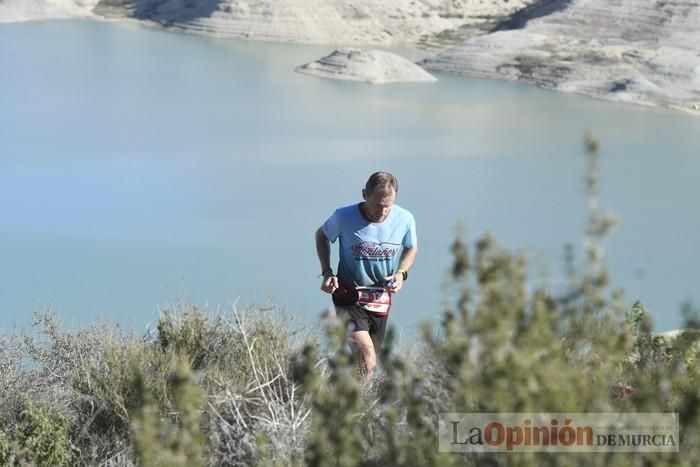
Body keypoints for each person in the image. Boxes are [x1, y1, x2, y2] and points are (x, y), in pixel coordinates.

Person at [315, 172, 418, 377]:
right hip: (348, 296)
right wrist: (327, 272)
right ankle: (361, 407)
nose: (382, 212)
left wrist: (400, 274)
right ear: (364, 194)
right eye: (377, 205)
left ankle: (340, 395)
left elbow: (411, 248)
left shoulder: (405, 219)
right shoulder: (344, 217)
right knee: (367, 358)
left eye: (387, 206)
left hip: (380, 299)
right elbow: (321, 235)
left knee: (366, 365)